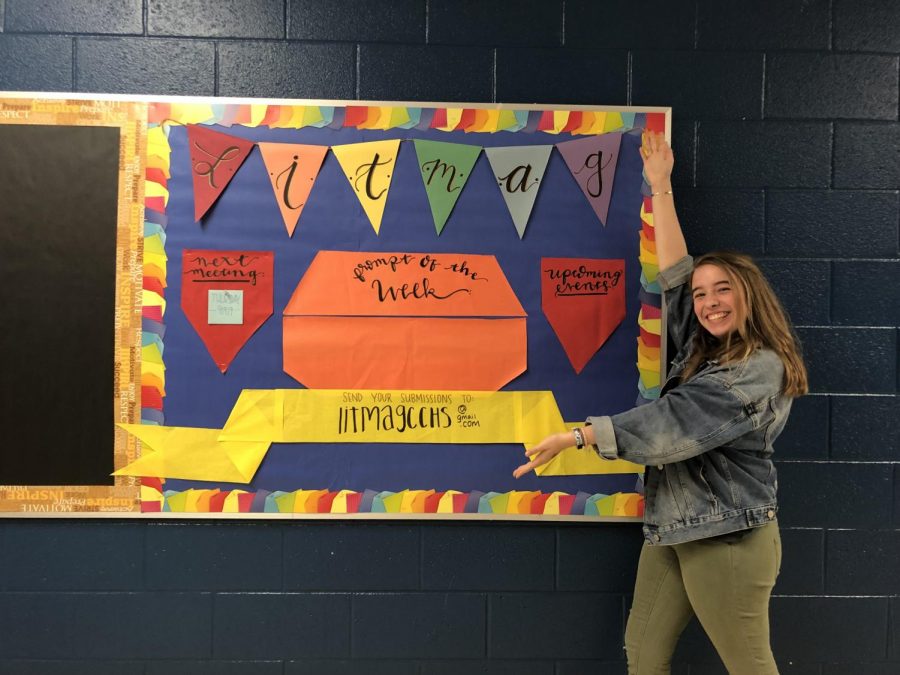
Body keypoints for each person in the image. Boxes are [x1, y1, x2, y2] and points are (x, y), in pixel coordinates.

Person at [513, 131, 807, 674]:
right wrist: (660, 187)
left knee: (749, 665)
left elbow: (674, 422)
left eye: (723, 290)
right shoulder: (703, 345)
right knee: (644, 655)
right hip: (674, 524)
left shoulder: (758, 368)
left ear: (749, 295)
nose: (708, 302)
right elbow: (674, 275)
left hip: (728, 533)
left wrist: (577, 435)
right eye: (703, 294)